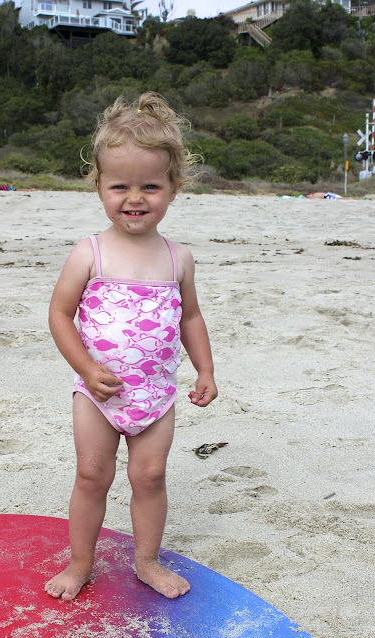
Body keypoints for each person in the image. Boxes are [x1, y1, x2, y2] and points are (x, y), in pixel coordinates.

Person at [45, 92, 218, 602]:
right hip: (96, 393)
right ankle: (80, 564)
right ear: (98, 185)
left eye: (150, 186)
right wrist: (85, 367)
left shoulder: (178, 258)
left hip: (156, 394)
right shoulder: (90, 252)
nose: (134, 198)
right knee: (91, 475)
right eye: (119, 186)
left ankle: (146, 561)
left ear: (174, 188)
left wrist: (205, 370)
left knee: (151, 476)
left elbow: (190, 316)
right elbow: (59, 315)